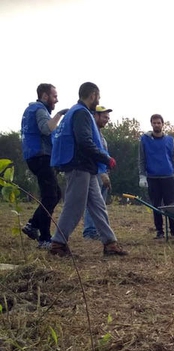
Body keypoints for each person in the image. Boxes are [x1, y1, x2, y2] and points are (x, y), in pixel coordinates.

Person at [48, 82, 127, 257]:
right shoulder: (81, 113)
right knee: (74, 205)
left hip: (86, 167)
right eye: (98, 97)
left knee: (98, 206)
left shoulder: (76, 112)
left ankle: (110, 243)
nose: (98, 100)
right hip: (79, 165)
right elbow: (84, 141)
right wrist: (105, 158)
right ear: (92, 95)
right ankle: (58, 244)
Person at [20, 83, 68, 249]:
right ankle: (44, 238)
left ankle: (33, 225)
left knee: (55, 194)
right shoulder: (40, 109)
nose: (57, 99)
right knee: (50, 196)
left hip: (34, 156)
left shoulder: (31, 111)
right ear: (45, 96)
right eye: (54, 96)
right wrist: (61, 114)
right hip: (40, 157)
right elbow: (46, 129)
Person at [139, 114, 174, 239]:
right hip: (152, 177)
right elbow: (142, 159)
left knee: (171, 205)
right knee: (156, 205)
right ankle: (159, 231)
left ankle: (173, 230)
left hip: (168, 177)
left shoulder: (170, 140)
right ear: (151, 124)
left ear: (162, 124)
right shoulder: (144, 140)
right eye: (154, 123)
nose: (156, 125)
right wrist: (142, 175)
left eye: (159, 123)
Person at [82, 105, 113, 240]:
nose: (107, 120)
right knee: (94, 203)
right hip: (96, 173)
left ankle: (96, 231)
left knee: (99, 204)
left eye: (108, 117)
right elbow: (93, 154)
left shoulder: (100, 135)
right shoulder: (92, 135)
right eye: (105, 117)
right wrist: (102, 173)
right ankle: (90, 231)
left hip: (103, 172)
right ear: (96, 116)